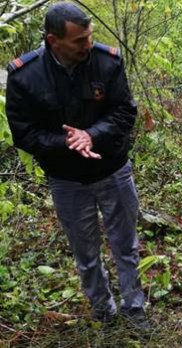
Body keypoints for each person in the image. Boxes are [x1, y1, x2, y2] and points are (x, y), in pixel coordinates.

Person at [5, 2, 149, 329]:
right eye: (78, 40)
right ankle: (103, 312)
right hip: (66, 180)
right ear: (54, 41)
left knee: (126, 244)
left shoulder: (106, 61)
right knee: (85, 252)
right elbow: (24, 133)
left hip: (113, 170)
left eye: (89, 37)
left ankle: (134, 307)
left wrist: (91, 135)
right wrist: (68, 143)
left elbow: (125, 112)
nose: (87, 45)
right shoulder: (25, 76)